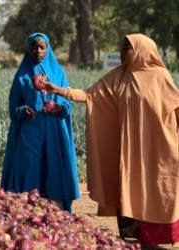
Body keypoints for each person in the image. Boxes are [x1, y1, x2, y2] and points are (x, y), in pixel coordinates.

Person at [41, 34, 179, 246]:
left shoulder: (160, 76)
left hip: (157, 148)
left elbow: (176, 107)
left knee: (156, 192)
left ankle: (153, 242)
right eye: (121, 46)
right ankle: (136, 240)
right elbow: (90, 95)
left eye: (127, 47)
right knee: (130, 188)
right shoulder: (119, 76)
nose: (122, 51)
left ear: (142, 50)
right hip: (130, 150)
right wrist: (57, 90)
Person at [0, 32, 80, 213]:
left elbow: (67, 100)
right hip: (31, 130)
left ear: (48, 48)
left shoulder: (57, 72)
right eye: (33, 47)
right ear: (28, 49)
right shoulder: (22, 74)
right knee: (30, 167)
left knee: (54, 166)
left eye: (41, 47)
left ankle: (55, 213)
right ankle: (29, 211)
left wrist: (59, 108)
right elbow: (13, 105)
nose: (37, 51)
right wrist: (22, 111)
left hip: (54, 130)